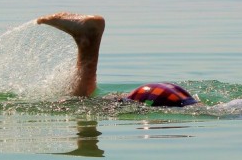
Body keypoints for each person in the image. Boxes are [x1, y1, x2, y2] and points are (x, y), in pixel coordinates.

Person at [36, 12, 199, 106]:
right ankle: (88, 39)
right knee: (81, 103)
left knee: (82, 102)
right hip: (169, 98)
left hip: (172, 96)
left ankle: (88, 40)